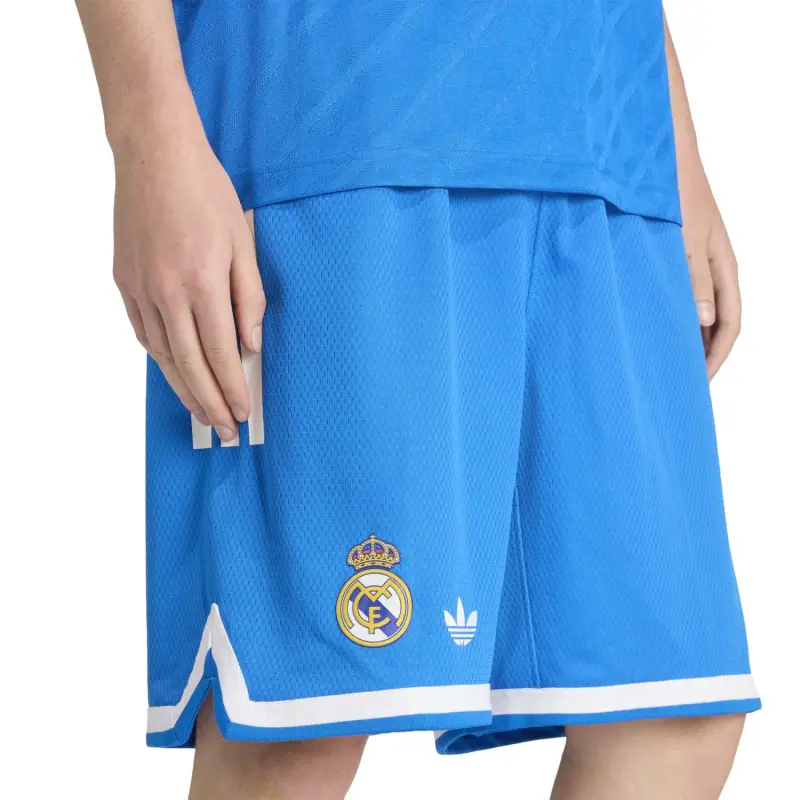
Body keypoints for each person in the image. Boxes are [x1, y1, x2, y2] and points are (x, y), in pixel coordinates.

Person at [75, 2, 760, 798]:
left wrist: (676, 148)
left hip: (608, 138)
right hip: (332, 121)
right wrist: (149, 138)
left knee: (671, 708)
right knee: (301, 722)